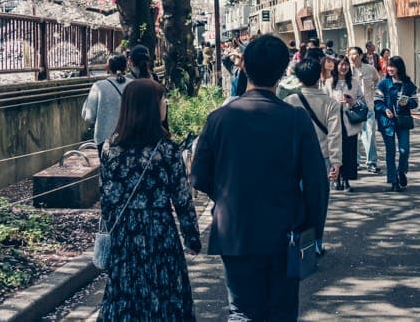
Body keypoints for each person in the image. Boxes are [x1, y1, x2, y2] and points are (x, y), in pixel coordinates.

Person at [191, 35, 327, 322]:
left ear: (245, 67)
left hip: (236, 228)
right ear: (282, 71)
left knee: (242, 310)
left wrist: (227, 196)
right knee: (282, 310)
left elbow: (200, 177)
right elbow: (316, 182)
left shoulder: (219, 118)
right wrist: (314, 230)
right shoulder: (295, 119)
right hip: (285, 230)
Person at [97, 79, 200, 321]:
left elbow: (107, 199)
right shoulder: (167, 150)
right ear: (151, 107)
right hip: (160, 231)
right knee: (164, 292)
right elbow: (182, 199)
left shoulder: (110, 149)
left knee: (126, 293)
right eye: (162, 99)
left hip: (125, 235)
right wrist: (191, 237)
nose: (166, 103)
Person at [284, 57, 341, 254]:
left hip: (294, 159)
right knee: (318, 202)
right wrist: (336, 162)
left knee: (295, 199)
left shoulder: (290, 101)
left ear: (298, 78)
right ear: (319, 76)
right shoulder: (330, 103)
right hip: (321, 159)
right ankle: (316, 243)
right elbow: (334, 134)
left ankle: (295, 238)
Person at [374, 55, 418, 191]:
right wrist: (385, 109)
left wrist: (408, 102)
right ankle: (393, 181)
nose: (390, 69)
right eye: (389, 66)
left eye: (393, 66)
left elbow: (415, 102)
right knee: (390, 151)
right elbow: (376, 101)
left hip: (403, 120)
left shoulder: (408, 84)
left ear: (399, 67)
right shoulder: (383, 83)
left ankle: (401, 171)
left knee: (404, 150)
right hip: (387, 122)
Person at [325, 56, 362, 192]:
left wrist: (352, 102)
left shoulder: (354, 82)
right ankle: (336, 178)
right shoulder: (328, 83)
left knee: (348, 152)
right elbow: (324, 101)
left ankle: (346, 180)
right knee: (335, 151)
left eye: (346, 64)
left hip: (349, 123)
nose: (343, 67)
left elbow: (362, 101)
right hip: (333, 122)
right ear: (335, 66)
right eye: (341, 64)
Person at [82, 54, 130, 145]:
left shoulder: (99, 86)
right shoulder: (133, 85)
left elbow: (89, 116)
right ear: (126, 67)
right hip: (129, 137)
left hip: (105, 140)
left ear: (107, 67)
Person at [349, 46, 380, 174]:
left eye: (355, 54)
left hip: (368, 106)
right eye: (350, 54)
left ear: (361, 56)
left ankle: (371, 162)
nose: (352, 57)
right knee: (353, 137)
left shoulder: (370, 69)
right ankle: (355, 162)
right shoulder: (346, 70)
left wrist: (373, 92)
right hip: (352, 108)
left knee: (369, 135)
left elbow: (377, 80)